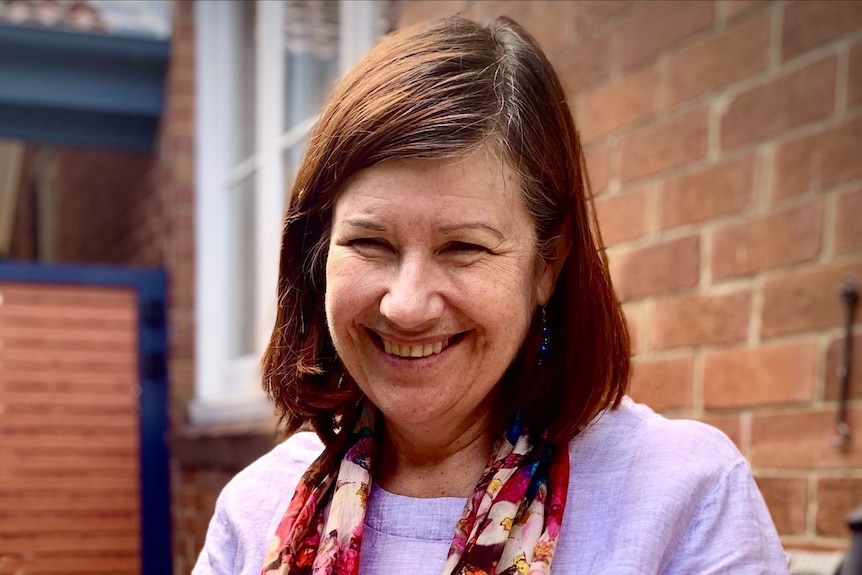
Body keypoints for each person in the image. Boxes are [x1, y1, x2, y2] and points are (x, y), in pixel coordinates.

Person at [193, 16, 789, 575]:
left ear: (545, 267)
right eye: (371, 242)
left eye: (463, 248)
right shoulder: (255, 509)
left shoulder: (682, 496)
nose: (406, 304)